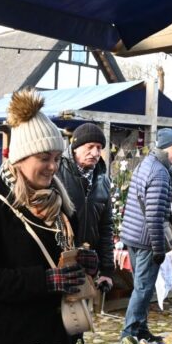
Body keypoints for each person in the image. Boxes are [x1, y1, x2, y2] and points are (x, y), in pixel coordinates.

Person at [0, 88, 95, 344]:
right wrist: (45, 280)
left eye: (57, 158)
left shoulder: (63, 208)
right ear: (20, 158)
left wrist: (83, 263)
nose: (53, 167)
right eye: (44, 157)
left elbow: (61, 262)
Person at [118, 130, 172, 341]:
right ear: (165, 148)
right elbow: (154, 214)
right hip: (146, 240)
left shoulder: (147, 163)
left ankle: (141, 329)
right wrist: (158, 249)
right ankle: (128, 335)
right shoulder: (160, 173)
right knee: (143, 289)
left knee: (141, 286)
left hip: (133, 236)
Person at [58, 122, 115, 294]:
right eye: (90, 147)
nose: (96, 153)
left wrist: (107, 270)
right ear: (75, 148)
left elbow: (106, 227)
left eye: (99, 148)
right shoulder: (57, 173)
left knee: (85, 309)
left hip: (89, 263)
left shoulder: (103, 180)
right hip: (59, 262)